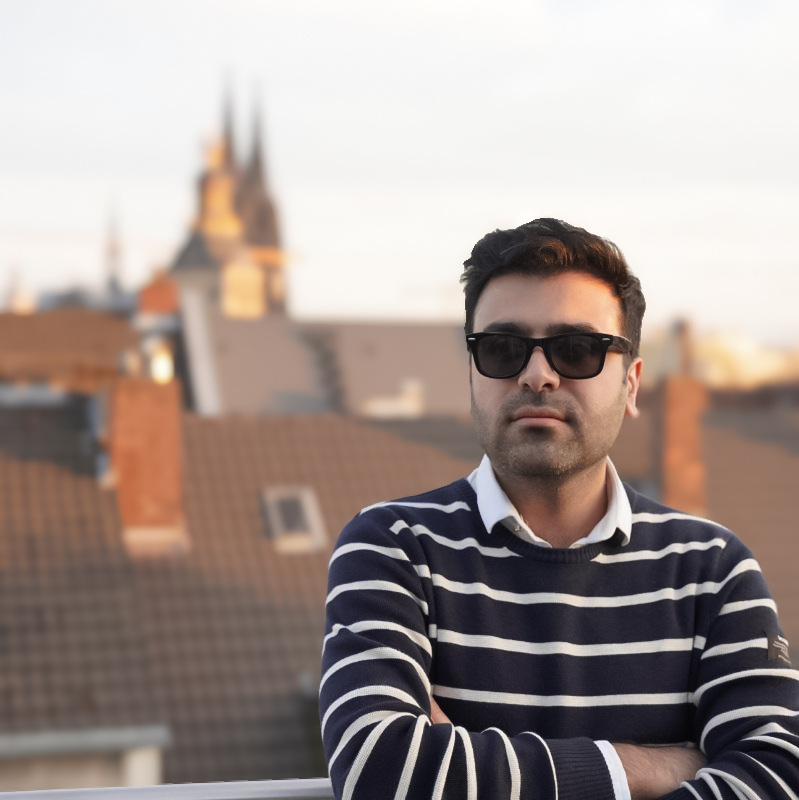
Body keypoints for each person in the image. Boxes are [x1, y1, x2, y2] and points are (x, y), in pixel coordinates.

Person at [319, 219, 799, 800]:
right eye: (502, 349)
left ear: (632, 384)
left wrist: (463, 762)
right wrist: (646, 768)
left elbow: (779, 774)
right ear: (471, 374)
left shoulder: (711, 570)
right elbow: (379, 770)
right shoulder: (393, 548)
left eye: (577, 350)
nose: (537, 375)